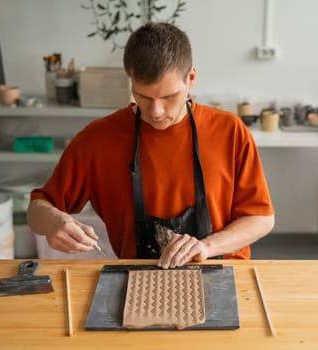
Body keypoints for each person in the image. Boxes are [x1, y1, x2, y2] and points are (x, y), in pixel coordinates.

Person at [27, 22, 275, 269]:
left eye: (168, 97)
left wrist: (207, 247)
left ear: (191, 78)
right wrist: (52, 222)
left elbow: (261, 219)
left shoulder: (229, 131)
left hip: (225, 273)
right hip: (137, 278)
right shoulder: (98, 139)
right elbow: (38, 208)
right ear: (131, 81)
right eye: (143, 96)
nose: (156, 112)